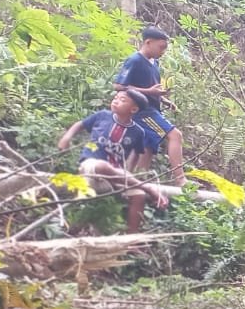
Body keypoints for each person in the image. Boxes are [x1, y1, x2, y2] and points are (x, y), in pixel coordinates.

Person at [58, 92, 171, 233]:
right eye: (115, 98)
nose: (116, 101)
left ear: (134, 109)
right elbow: (79, 125)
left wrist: (128, 173)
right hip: (91, 166)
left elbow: (136, 154)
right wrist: (66, 138)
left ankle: (131, 239)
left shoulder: (137, 132)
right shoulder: (102, 116)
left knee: (138, 195)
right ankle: (149, 188)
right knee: (103, 166)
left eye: (122, 100)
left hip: (115, 176)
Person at [113, 26, 185, 185]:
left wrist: (163, 100)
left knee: (148, 147)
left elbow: (152, 89)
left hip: (152, 109)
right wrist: (148, 91)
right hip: (142, 112)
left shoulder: (154, 63)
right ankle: (180, 179)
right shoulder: (135, 60)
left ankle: (136, 182)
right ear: (148, 42)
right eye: (161, 47)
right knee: (175, 135)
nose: (163, 51)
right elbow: (118, 86)